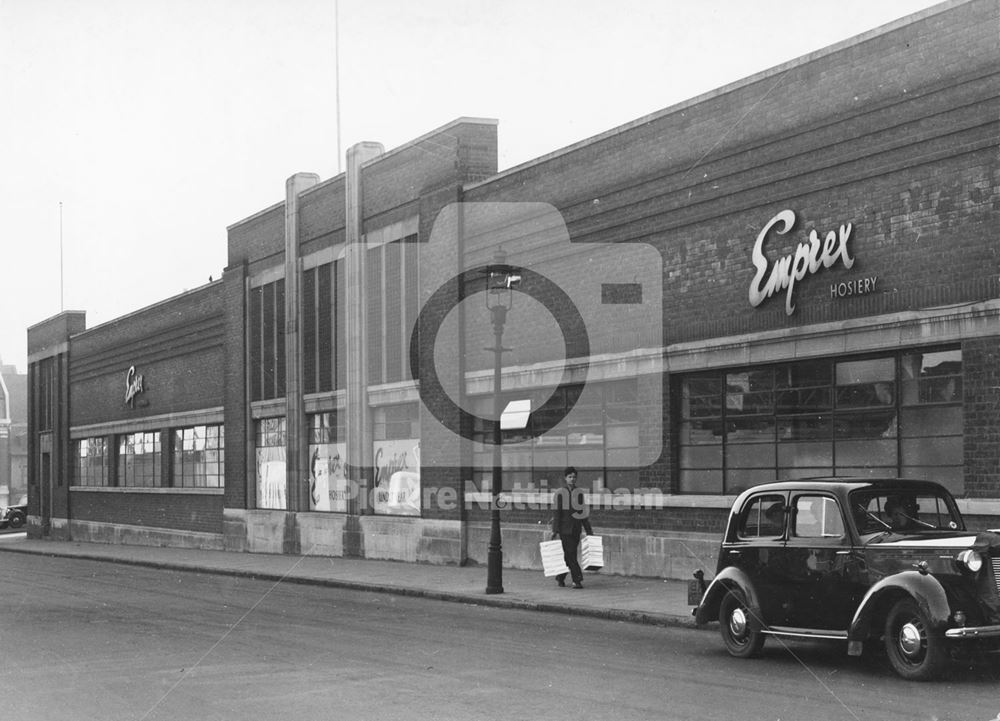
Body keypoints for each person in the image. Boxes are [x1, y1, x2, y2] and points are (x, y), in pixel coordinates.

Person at [551, 466, 594, 589]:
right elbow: (557, 512)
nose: (572, 479)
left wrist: (588, 530)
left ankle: (560, 577)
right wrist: (555, 530)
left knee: (569, 555)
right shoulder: (560, 493)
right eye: (570, 477)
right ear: (565, 478)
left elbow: (582, 513)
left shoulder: (579, 493)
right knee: (571, 554)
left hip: (576, 529)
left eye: (574, 477)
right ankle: (577, 579)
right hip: (564, 529)